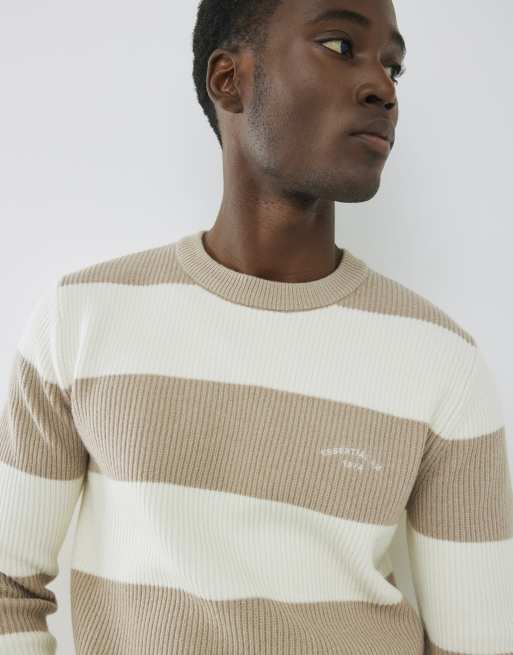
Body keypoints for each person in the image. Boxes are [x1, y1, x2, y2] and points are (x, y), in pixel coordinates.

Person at [1, 0, 512, 653]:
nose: (382, 88)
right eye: (340, 46)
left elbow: (479, 643)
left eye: (393, 67)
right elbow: (7, 588)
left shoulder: (442, 361)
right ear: (229, 80)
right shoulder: (83, 317)